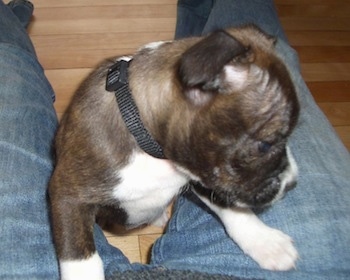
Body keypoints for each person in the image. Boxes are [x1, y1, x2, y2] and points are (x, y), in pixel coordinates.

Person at [0, 0, 349, 279]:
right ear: (200, 86)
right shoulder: (97, 134)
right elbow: (69, 196)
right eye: (265, 146)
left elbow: (201, 159)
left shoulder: (192, 116)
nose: (289, 177)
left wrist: (244, 224)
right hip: (107, 207)